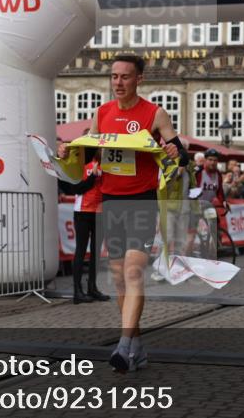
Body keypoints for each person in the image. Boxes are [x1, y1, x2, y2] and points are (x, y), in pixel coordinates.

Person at [58, 55, 184, 373]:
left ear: (138, 79)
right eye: (114, 77)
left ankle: (123, 345)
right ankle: (137, 347)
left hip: (142, 201)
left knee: (132, 272)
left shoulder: (155, 114)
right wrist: (66, 151)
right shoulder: (102, 113)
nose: (118, 82)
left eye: (125, 77)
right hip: (110, 202)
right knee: (118, 278)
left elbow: (180, 153)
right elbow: (88, 150)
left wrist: (175, 151)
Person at [65, 152, 111, 303]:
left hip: (100, 213)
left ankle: (92, 288)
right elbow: (77, 189)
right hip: (83, 212)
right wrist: (93, 176)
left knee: (96, 252)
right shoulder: (83, 168)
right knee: (81, 250)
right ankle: (77, 291)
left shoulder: (110, 169)